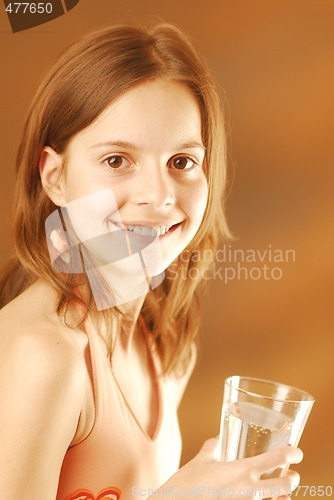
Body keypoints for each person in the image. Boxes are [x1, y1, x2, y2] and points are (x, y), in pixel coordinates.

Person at [0, 23, 303, 500]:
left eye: (182, 162)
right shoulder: (42, 356)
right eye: (118, 160)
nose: (159, 196)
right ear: (55, 177)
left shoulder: (165, 350)